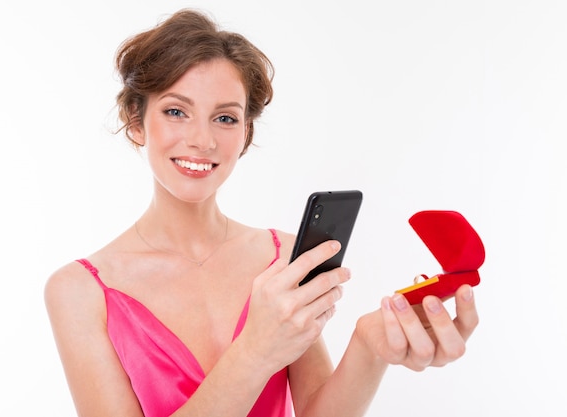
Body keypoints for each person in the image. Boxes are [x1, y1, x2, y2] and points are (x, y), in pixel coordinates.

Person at [44, 9, 479, 417]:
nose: (202, 140)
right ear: (135, 120)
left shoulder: (283, 257)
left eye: (225, 118)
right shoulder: (80, 292)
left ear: (246, 133)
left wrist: (370, 346)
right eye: (176, 111)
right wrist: (255, 351)